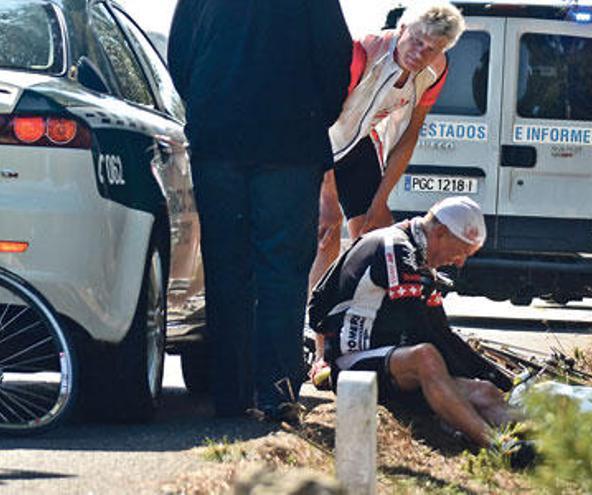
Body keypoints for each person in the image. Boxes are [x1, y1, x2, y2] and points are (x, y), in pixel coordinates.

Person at [167, 1, 352, 420]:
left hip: (219, 139)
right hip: (291, 142)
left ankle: (230, 396)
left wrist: (205, 104)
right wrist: (313, 116)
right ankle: (278, 392)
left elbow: (180, 55)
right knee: (283, 273)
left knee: (226, 269)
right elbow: (335, 57)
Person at [307, 197, 513, 447]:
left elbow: (441, 331)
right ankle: (498, 446)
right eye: (461, 251)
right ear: (440, 232)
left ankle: (547, 439)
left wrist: (502, 381)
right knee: (425, 355)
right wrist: (323, 354)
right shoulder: (395, 248)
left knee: (486, 391)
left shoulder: (419, 252)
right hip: (351, 363)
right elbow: (421, 330)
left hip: (392, 363)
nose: (460, 262)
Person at [307, 2, 466, 293]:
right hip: (319, 143)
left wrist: (380, 201)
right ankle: (314, 324)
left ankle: (367, 319)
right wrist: (328, 197)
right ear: (402, 28)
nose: (420, 53)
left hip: (359, 143)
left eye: (432, 49)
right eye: (416, 41)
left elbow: (410, 134)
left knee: (378, 233)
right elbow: (318, 124)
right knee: (328, 230)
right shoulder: (362, 53)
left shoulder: (436, 69)